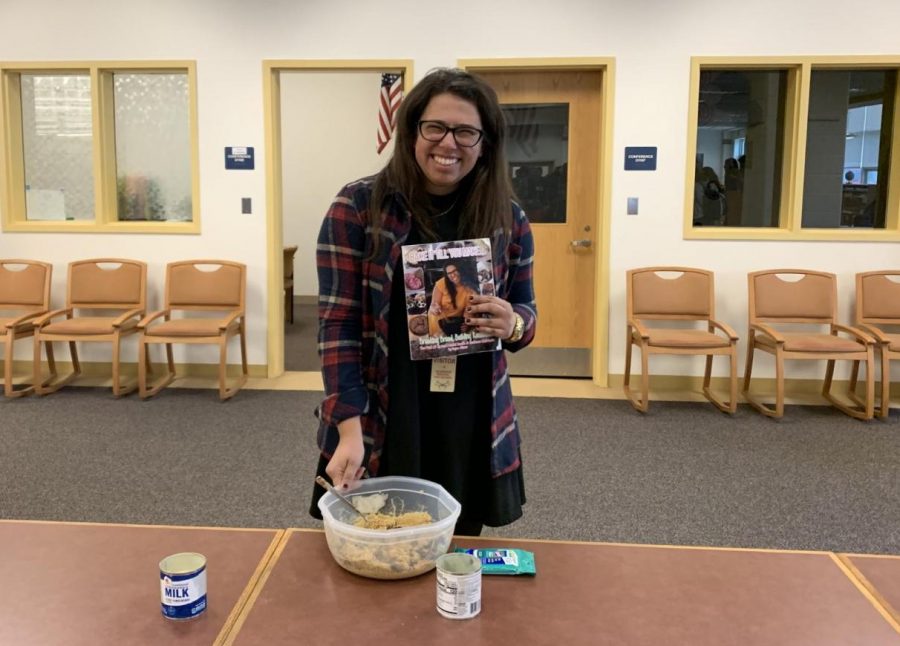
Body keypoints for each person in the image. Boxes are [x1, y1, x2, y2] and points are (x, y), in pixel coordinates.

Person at [310, 68, 537, 536]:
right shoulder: (357, 207)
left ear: (485, 142)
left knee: (458, 549)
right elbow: (338, 327)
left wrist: (511, 321)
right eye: (435, 127)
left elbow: (527, 320)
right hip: (386, 408)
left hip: (472, 413)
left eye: (466, 131)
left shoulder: (507, 219)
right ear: (412, 129)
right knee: (374, 544)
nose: (448, 143)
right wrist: (348, 429)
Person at [427, 261, 478, 336]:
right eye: (449, 273)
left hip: (452, 324)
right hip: (435, 320)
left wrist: (466, 324)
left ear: (461, 270)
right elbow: (433, 304)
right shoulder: (441, 283)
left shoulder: (470, 291)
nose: (453, 275)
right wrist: (434, 308)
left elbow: (468, 314)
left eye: (455, 271)